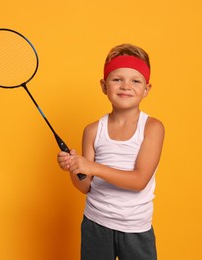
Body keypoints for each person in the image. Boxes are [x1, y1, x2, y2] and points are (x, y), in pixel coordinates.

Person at [57, 43, 164, 260]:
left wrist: (92, 167)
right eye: (117, 79)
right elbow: (84, 185)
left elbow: (139, 180)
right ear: (104, 86)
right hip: (95, 224)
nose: (126, 86)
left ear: (146, 89)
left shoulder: (152, 128)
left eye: (135, 80)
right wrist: (74, 166)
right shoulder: (93, 130)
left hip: (135, 227)